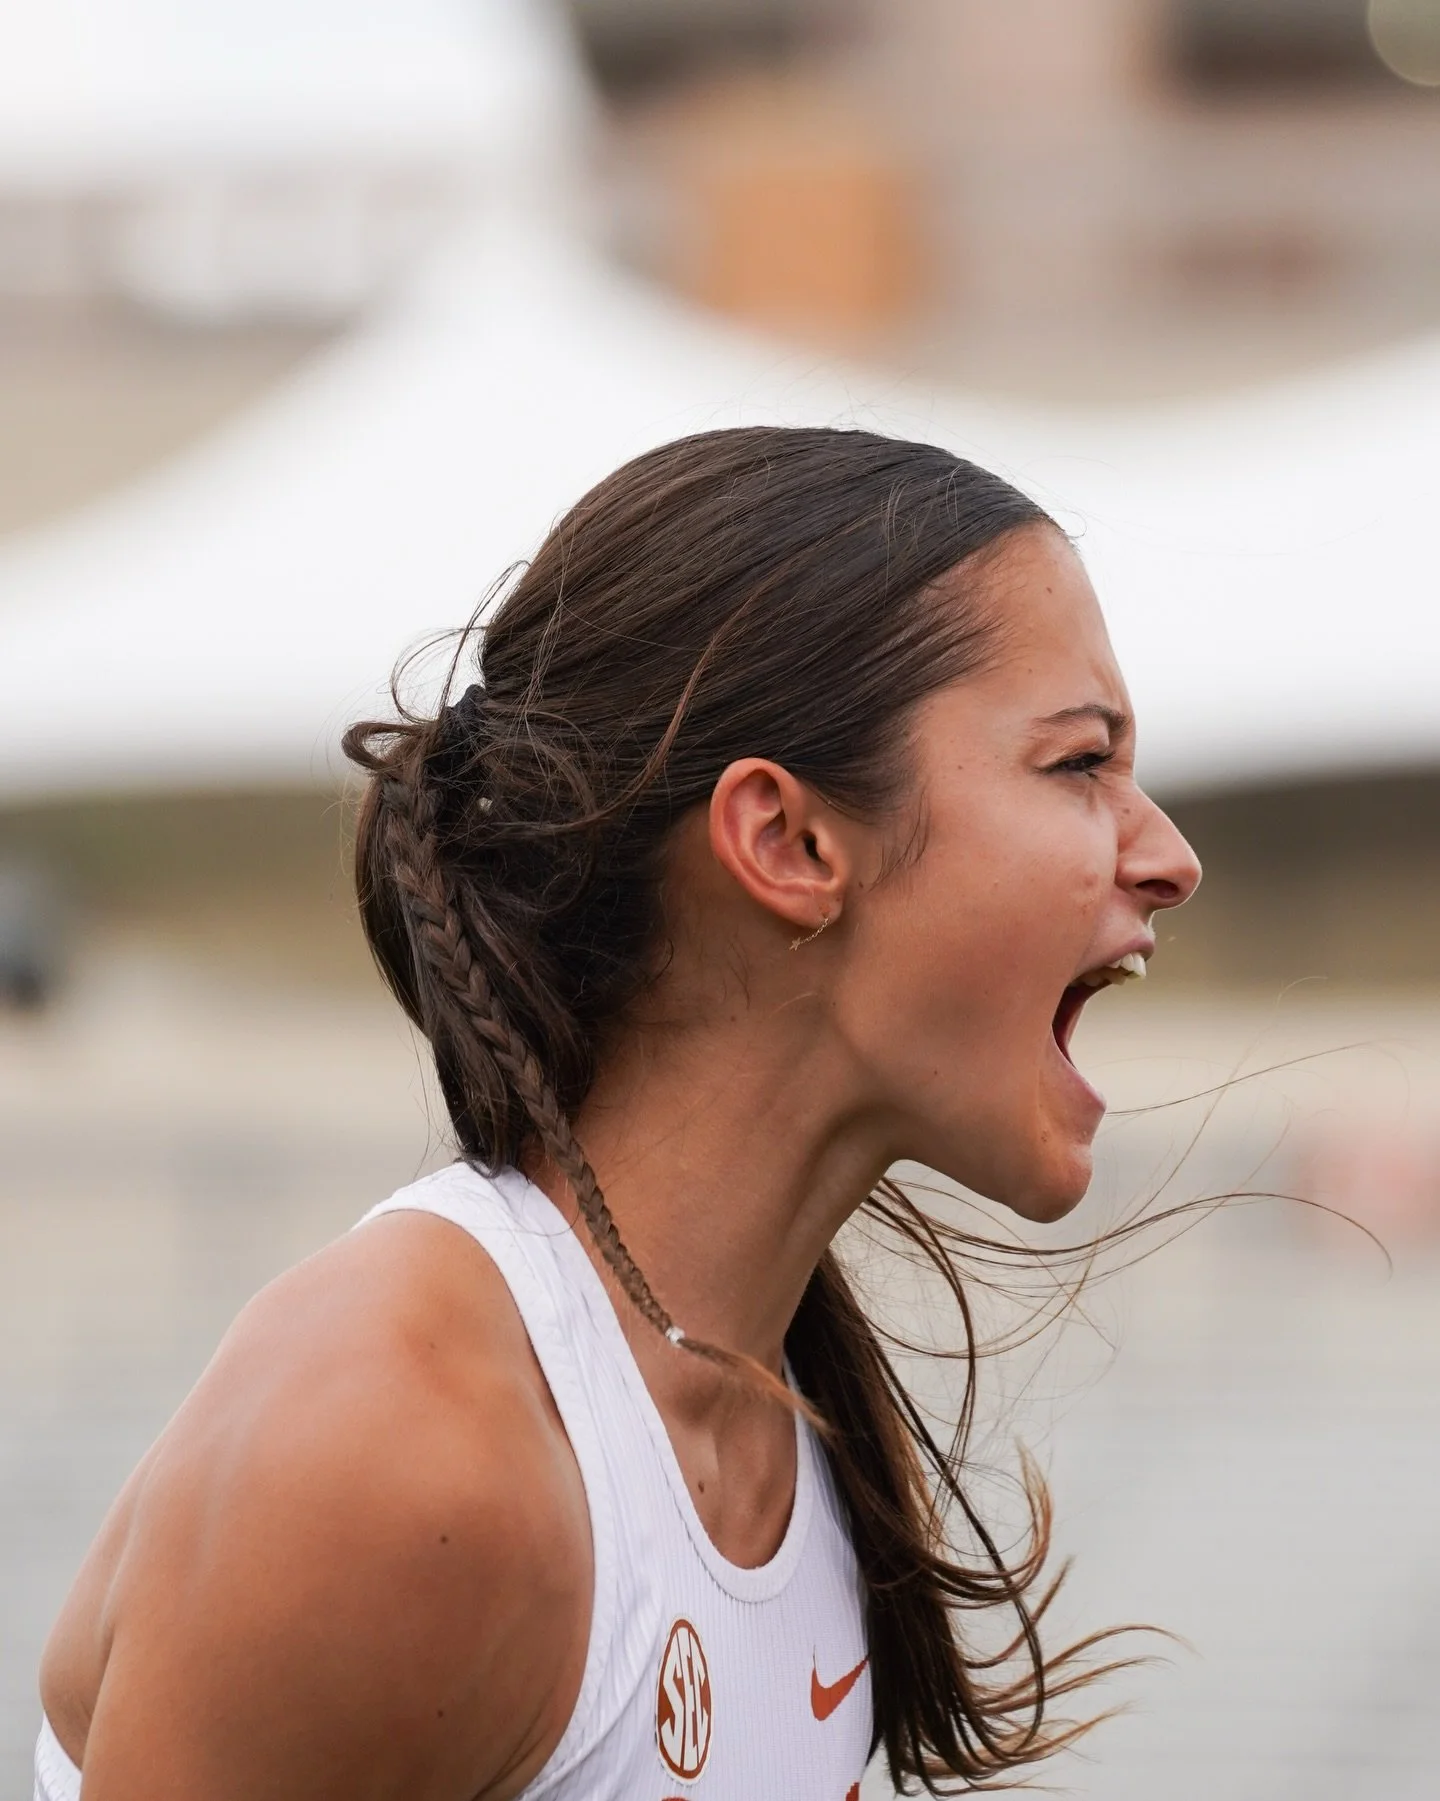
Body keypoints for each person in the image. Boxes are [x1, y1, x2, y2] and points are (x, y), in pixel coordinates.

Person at [36, 426, 1201, 1800]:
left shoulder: (782, 1417)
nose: (1168, 856)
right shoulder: (400, 1454)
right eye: (1079, 765)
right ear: (788, 841)